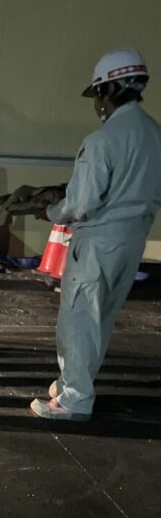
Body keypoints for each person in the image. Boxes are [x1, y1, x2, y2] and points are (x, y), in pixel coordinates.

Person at [30, 47, 161, 421]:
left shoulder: (102, 140)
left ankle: (74, 400)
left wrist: (49, 210)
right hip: (132, 241)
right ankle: (72, 380)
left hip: (97, 243)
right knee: (101, 319)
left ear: (110, 89)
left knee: (79, 320)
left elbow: (82, 204)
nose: (96, 104)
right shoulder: (155, 135)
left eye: (97, 94)